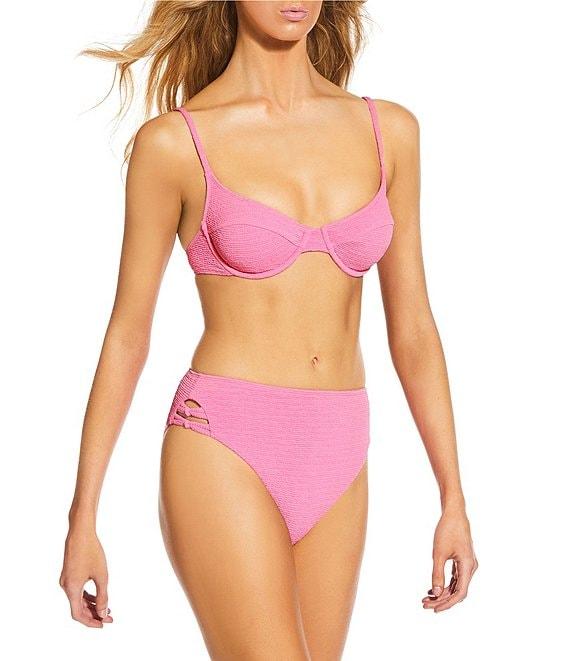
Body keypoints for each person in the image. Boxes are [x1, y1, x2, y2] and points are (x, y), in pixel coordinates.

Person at [59, 1, 478, 658]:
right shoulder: (175, 144)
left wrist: (453, 495)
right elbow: (127, 335)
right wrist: (83, 515)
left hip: (341, 446)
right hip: (224, 442)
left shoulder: (388, 131)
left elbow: (415, 329)